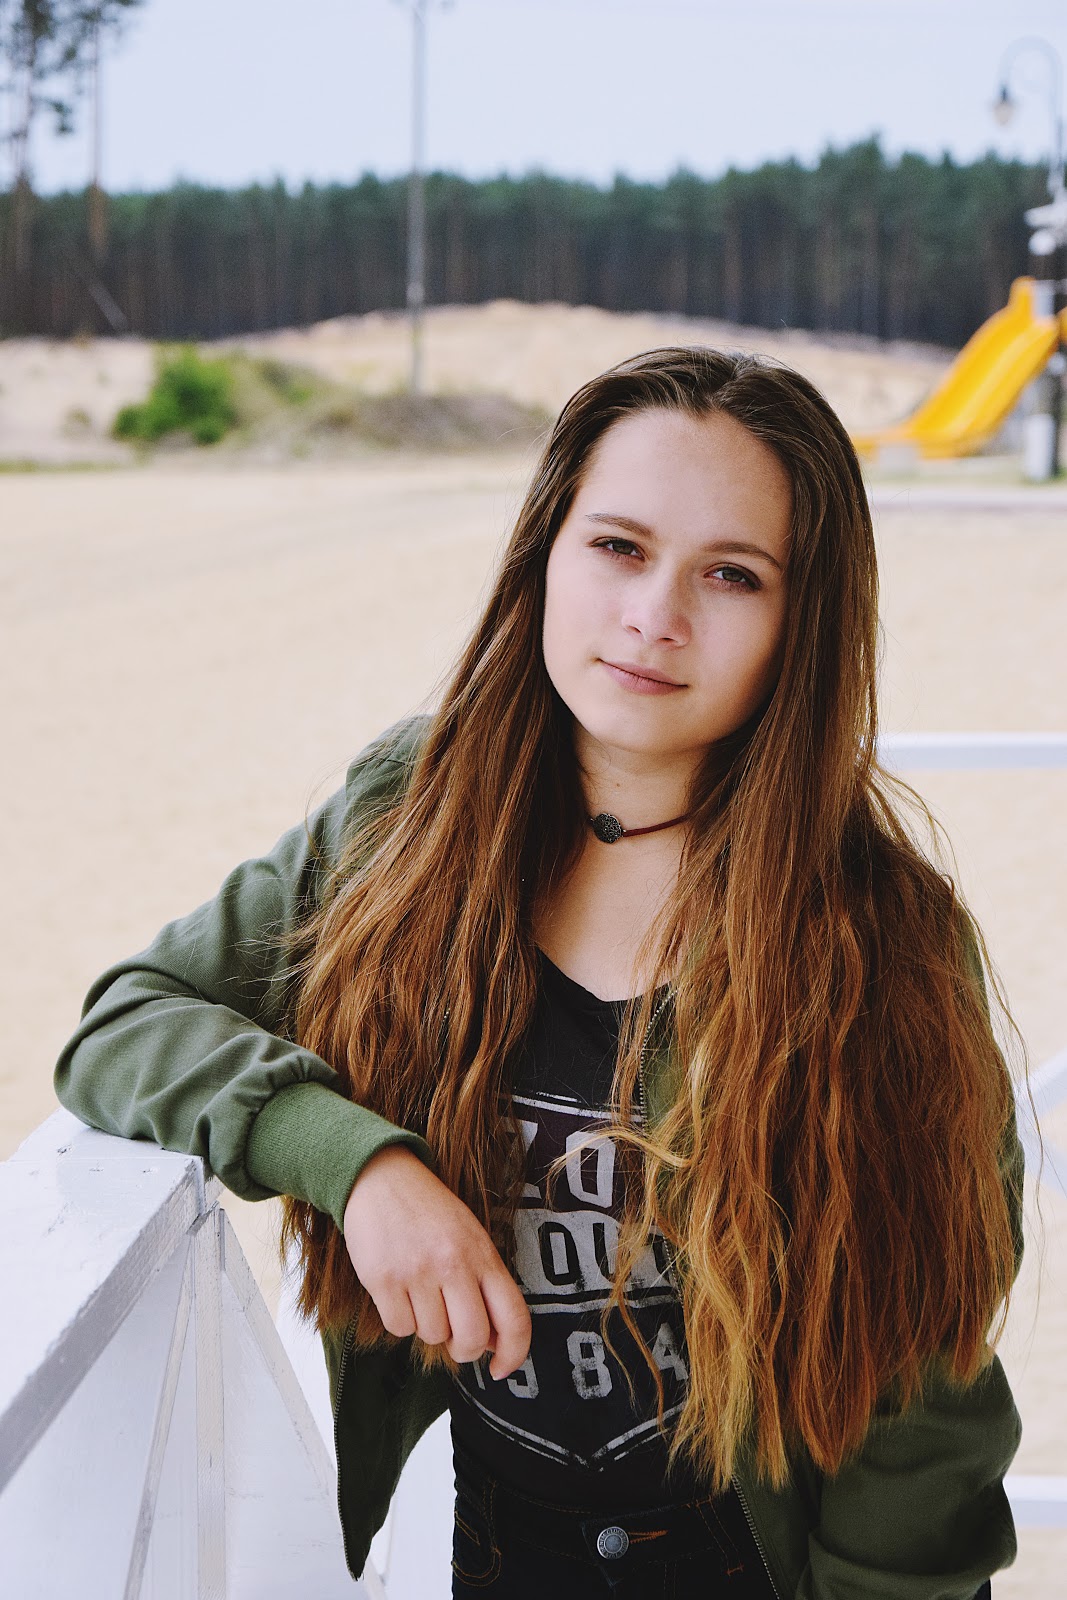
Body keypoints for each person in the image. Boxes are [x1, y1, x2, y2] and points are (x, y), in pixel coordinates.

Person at [55, 347, 1023, 1600]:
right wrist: (356, 1162)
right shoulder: (410, 819)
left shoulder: (876, 933)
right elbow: (127, 1023)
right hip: (494, 1544)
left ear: (801, 619)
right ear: (546, 552)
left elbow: (923, 1396)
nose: (653, 614)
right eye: (617, 546)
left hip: (750, 1564)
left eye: (731, 574)